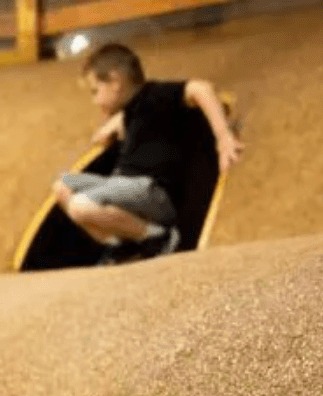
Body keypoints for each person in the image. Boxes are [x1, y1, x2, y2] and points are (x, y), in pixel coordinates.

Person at [52, 43, 243, 264]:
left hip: (152, 191)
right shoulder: (131, 111)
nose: (95, 101)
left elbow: (201, 88)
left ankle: (158, 237)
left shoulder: (156, 95)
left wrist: (223, 138)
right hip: (126, 188)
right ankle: (122, 243)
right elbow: (138, 119)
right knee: (62, 186)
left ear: (115, 82)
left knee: (80, 206)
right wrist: (116, 122)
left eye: (96, 91)